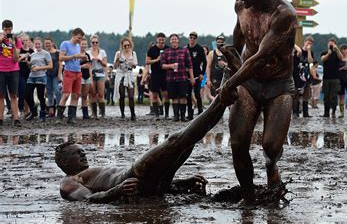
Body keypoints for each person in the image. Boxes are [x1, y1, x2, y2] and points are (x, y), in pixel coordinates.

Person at [55, 47, 240, 203]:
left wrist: (181, 183)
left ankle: (223, 97)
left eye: (82, 151)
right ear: (64, 162)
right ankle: (223, 97)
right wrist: (117, 191)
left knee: (187, 144)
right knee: (176, 140)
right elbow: (88, 200)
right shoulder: (68, 182)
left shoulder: (88, 173)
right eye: (77, 153)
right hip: (132, 176)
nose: (83, 154)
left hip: (148, 183)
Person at [219, 0, 297, 204]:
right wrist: (230, 65)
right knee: (238, 142)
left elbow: (261, 58)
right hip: (249, 83)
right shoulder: (240, 7)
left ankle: (271, 164)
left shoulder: (283, 14)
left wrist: (230, 83)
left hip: (279, 85)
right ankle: (249, 197)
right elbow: (239, 42)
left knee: (271, 146)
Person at [161, 34, 195, 122]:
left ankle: (183, 116)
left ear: (178, 41)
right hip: (170, 78)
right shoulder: (166, 52)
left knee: (183, 97)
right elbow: (162, 66)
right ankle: (176, 116)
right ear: (170, 41)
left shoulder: (184, 51)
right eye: (172, 39)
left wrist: (191, 77)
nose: (174, 40)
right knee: (174, 97)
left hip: (182, 77)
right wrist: (171, 66)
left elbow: (190, 65)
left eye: (175, 39)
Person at [58, 28, 87, 124]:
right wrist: (74, 56)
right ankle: (59, 116)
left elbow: (77, 60)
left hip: (78, 72)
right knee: (66, 94)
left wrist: (82, 59)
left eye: (81, 38)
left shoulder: (78, 46)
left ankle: (71, 117)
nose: (80, 40)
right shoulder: (65, 44)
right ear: (74, 35)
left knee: (75, 95)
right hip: (68, 72)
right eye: (79, 38)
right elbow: (61, 58)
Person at [0, 19, 23, 127]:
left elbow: (16, 59)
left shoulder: (17, 40)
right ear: (2, 29)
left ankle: (16, 118)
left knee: (13, 95)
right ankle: (0, 118)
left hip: (13, 70)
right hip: (1, 70)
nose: (7, 31)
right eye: (6, 29)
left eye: (9, 29)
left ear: (12, 29)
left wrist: (13, 45)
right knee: (1, 95)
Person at [24, 37, 52, 122]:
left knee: (40, 96)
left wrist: (39, 68)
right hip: (32, 76)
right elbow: (31, 67)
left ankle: (42, 114)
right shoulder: (32, 54)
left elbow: (50, 66)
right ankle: (33, 111)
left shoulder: (46, 53)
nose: (37, 45)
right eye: (36, 44)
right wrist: (28, 63)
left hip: (41, 76)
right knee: (26, 94)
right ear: (34, 45)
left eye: (39, 44)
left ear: (41, 44)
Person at [113, 37, 137, 121]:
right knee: (122, 95)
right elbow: (115, 67)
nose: (127, 47)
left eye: (128, 45)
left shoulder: (133, 53)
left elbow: (135, 65)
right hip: (120, 74)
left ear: (130, 45)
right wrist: (117, 60)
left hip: (129, 74)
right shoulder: (118, 53)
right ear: (122, 46)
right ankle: (122, 114)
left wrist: (132, 64)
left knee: (131, 96)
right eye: (125, 45)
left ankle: (132, 114)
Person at [146, 32, 169, 119]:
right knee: (154, 95)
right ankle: (156, 114)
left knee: (166, 94)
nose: (161, 41)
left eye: (162, 40)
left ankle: (166, 114)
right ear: (157, 40)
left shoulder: (168, 48)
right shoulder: (152, 49)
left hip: (165, 74)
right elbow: (147, 62)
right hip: (155, 74)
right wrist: (157, 60)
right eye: (159, 40)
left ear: (165, 40)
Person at [185, 31, 207, 120]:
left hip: (197, 75)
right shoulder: (185, 48)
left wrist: (202, 73)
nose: (192, 40)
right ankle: (190, 114)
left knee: (197, 94)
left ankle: (200, 112)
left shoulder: (199, 49)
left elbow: (204, 62)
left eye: (194, 38)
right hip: (187, 76)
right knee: (188, 95)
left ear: (196, 39)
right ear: (188, 39)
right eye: (191, 38)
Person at [320, 38, 342, 118]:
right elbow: (322, 59)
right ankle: (326, 113)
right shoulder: (324, 52)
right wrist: (328, 54)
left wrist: (337, 49)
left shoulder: (337, 53)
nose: (331, 45)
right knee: (326, 96)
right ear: (327, 44)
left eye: (332, 43)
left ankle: (333, 112)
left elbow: (341, 58)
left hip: (335, 78)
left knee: (334, 96)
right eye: (330, 43)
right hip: (326, 78)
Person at [293, 36, 314, 118]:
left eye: (311, 43)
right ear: (305, 42)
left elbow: (310, 61)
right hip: (297, 75)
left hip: (306, 76)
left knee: (306, 95)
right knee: (296, 95)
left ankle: (306, 113)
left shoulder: (310, 52)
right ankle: (295, 112)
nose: (309, 44)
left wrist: (309, 51)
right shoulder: (299, 51)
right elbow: (298, 55)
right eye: (308, 42)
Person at [87, 35, 108, 119]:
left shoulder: (102, 52)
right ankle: (94, 113)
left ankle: (102, 113)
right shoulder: (87, 52)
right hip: (91, 74)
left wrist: (100, 61)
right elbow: (86, 63)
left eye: (96, 42)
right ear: (90, 43)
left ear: (98, 43)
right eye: (93, 42)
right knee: (92, 94)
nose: (95, 44)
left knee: (101, 94)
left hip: (100, 73)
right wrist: (90, 61)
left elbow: (105, 64)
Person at [45, 37, 62, 117]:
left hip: (55, 74)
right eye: (46, 43)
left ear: (52, 43)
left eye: (49, 43)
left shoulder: (57, 52)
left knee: (57, 91)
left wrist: (59, 74)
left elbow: (60, 64)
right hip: (47, 75)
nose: (47, 44)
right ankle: (51, 111)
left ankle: (59, 109)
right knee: (49, 93)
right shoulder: (44, 53)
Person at [18, 33, 34, 117]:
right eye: (23, 40)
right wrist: (22, 57)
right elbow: (15, 61)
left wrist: (29, 63)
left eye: (26, 40)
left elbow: (33, 64)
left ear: (29, 41)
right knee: (22, 91)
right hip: (20, 73)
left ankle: (29, 110)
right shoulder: (18, 50)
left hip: (30, 74)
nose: (25, 42)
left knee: (29, 92)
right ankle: (21, 109)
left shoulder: (31, 51)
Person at [337, 44, 347, 118]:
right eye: (342, 49)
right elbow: (336, 69)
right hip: (340, 79)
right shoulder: (339, 59)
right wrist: (343, 67)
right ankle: (341, 112)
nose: (344, 51)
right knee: (341, 97)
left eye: (345, 49)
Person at [79, 38, 92, 120]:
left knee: (84, 96)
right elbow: (75, 65)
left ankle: (85, 114)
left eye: (85, 44)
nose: (84, 45)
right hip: (79, 76)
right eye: (82, 44)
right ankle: (73, 113)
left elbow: (89, 66)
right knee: (76, 95)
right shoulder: (77, 54)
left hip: (86, 76)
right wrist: (82, 66)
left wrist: (91, 78)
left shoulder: (87, 55)